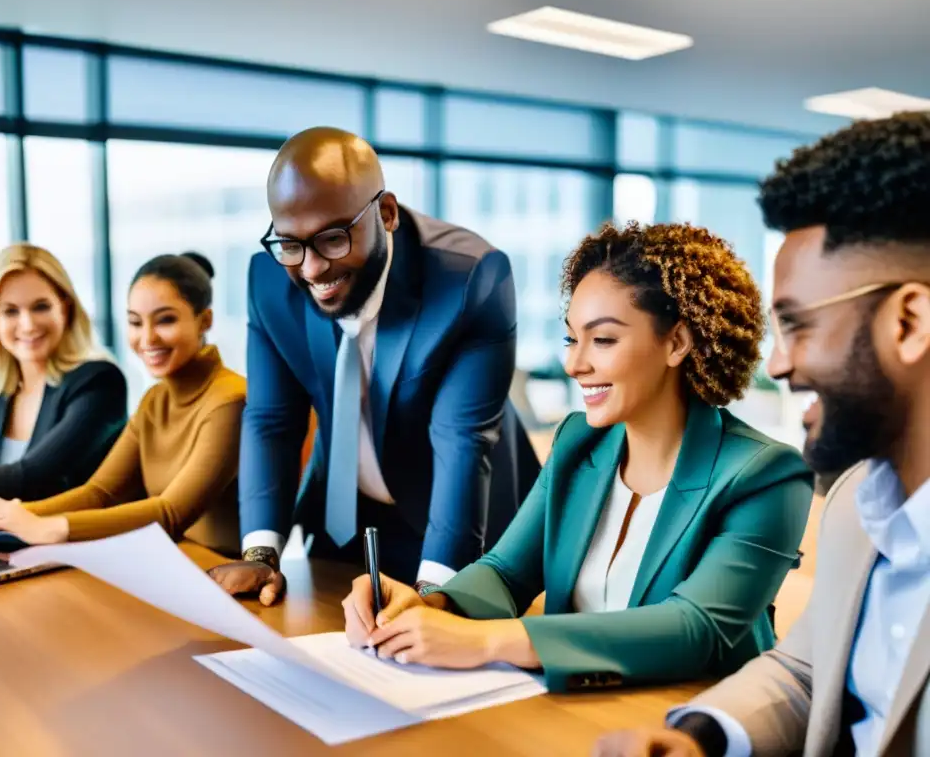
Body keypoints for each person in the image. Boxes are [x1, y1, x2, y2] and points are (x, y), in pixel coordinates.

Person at [340, 221, 814, 691]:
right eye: (572, 338)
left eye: (603, 340)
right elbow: (506, 573)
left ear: (677, 343)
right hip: (571, 710)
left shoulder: (766, 475)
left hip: (690, 724)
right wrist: (429, 607)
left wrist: (487, 641)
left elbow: (696, 629)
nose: (574, 364)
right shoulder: (579, 442)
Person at [591, 111, 930, 757]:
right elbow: (806, 675)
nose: (776, 363)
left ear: (909, 322)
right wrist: (698, 737)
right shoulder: (861, 506)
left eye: (799, 326)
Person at [209, 127, 539, 605]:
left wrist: (434, 596)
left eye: (333, 238)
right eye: (291, 243)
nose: (312, 269)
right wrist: (261, 555)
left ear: (386, 214)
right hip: (347, 523)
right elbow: (271, 420)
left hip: (462, 531)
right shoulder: (270, 280)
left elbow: (461, 441)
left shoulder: (470, 279)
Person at [0, 253, 246, 556]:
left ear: (205, 320)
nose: (147, 337)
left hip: (226, 585)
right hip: (169, 569)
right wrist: (1, 518)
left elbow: (171, 513)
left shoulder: (229, 400)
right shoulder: (155, 400)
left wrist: (52, 527)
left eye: (165, 320)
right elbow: (100, 493)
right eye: (135, 322)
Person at [0, 243, 127, 504]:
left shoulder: (100, 382)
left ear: (65, 307)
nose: (27, 325)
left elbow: (32, 477)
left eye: (40, 307)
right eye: (10, 311)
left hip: (77, 541)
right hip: (0, 543)